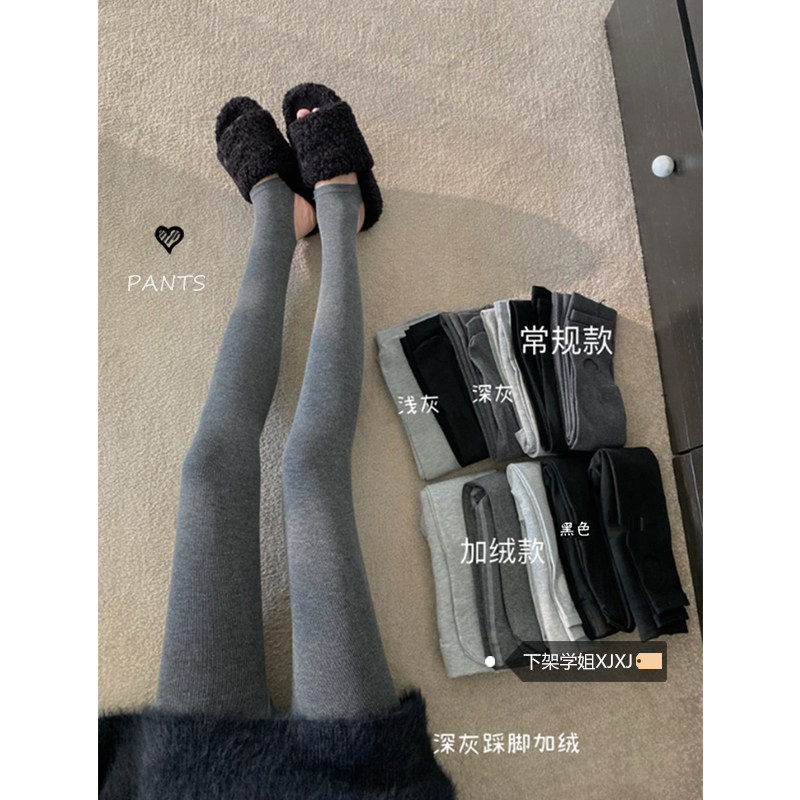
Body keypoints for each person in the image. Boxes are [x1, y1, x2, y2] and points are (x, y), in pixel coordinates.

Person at [99, 83, 456, 799]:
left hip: (186, 777)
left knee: (207, 472)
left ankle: (278, 221)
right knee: (309, 473)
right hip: (352, 779)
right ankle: (341, 214)